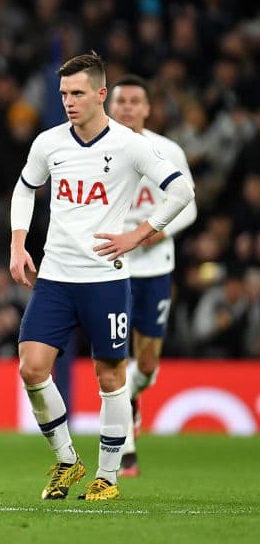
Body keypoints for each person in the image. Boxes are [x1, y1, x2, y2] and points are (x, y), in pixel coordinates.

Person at [9, 52, 195, 502]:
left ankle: (108, 477)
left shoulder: (130, 145)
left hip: (105, 279)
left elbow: (182, 191)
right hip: (55, 275)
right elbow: (25, 187)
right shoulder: (49, 143)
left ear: (100, 94)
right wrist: (18, 243)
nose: (69, 102)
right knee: (31, 367)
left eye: (77, 93)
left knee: (111, 377)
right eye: (63, 94)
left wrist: (140, 233)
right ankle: (67, 460)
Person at [109, 75, 197, 476]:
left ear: (147, 108)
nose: (127, 107)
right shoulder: (96, 151)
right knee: (113, 355)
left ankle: (133, 395)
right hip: (112, 267)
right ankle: (125, 449)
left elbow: (189, 206)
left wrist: (157, 231)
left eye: (135, 101)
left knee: (146, 365)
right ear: (110, 106)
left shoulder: (167, 150)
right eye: (121, 100)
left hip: (156, 266)